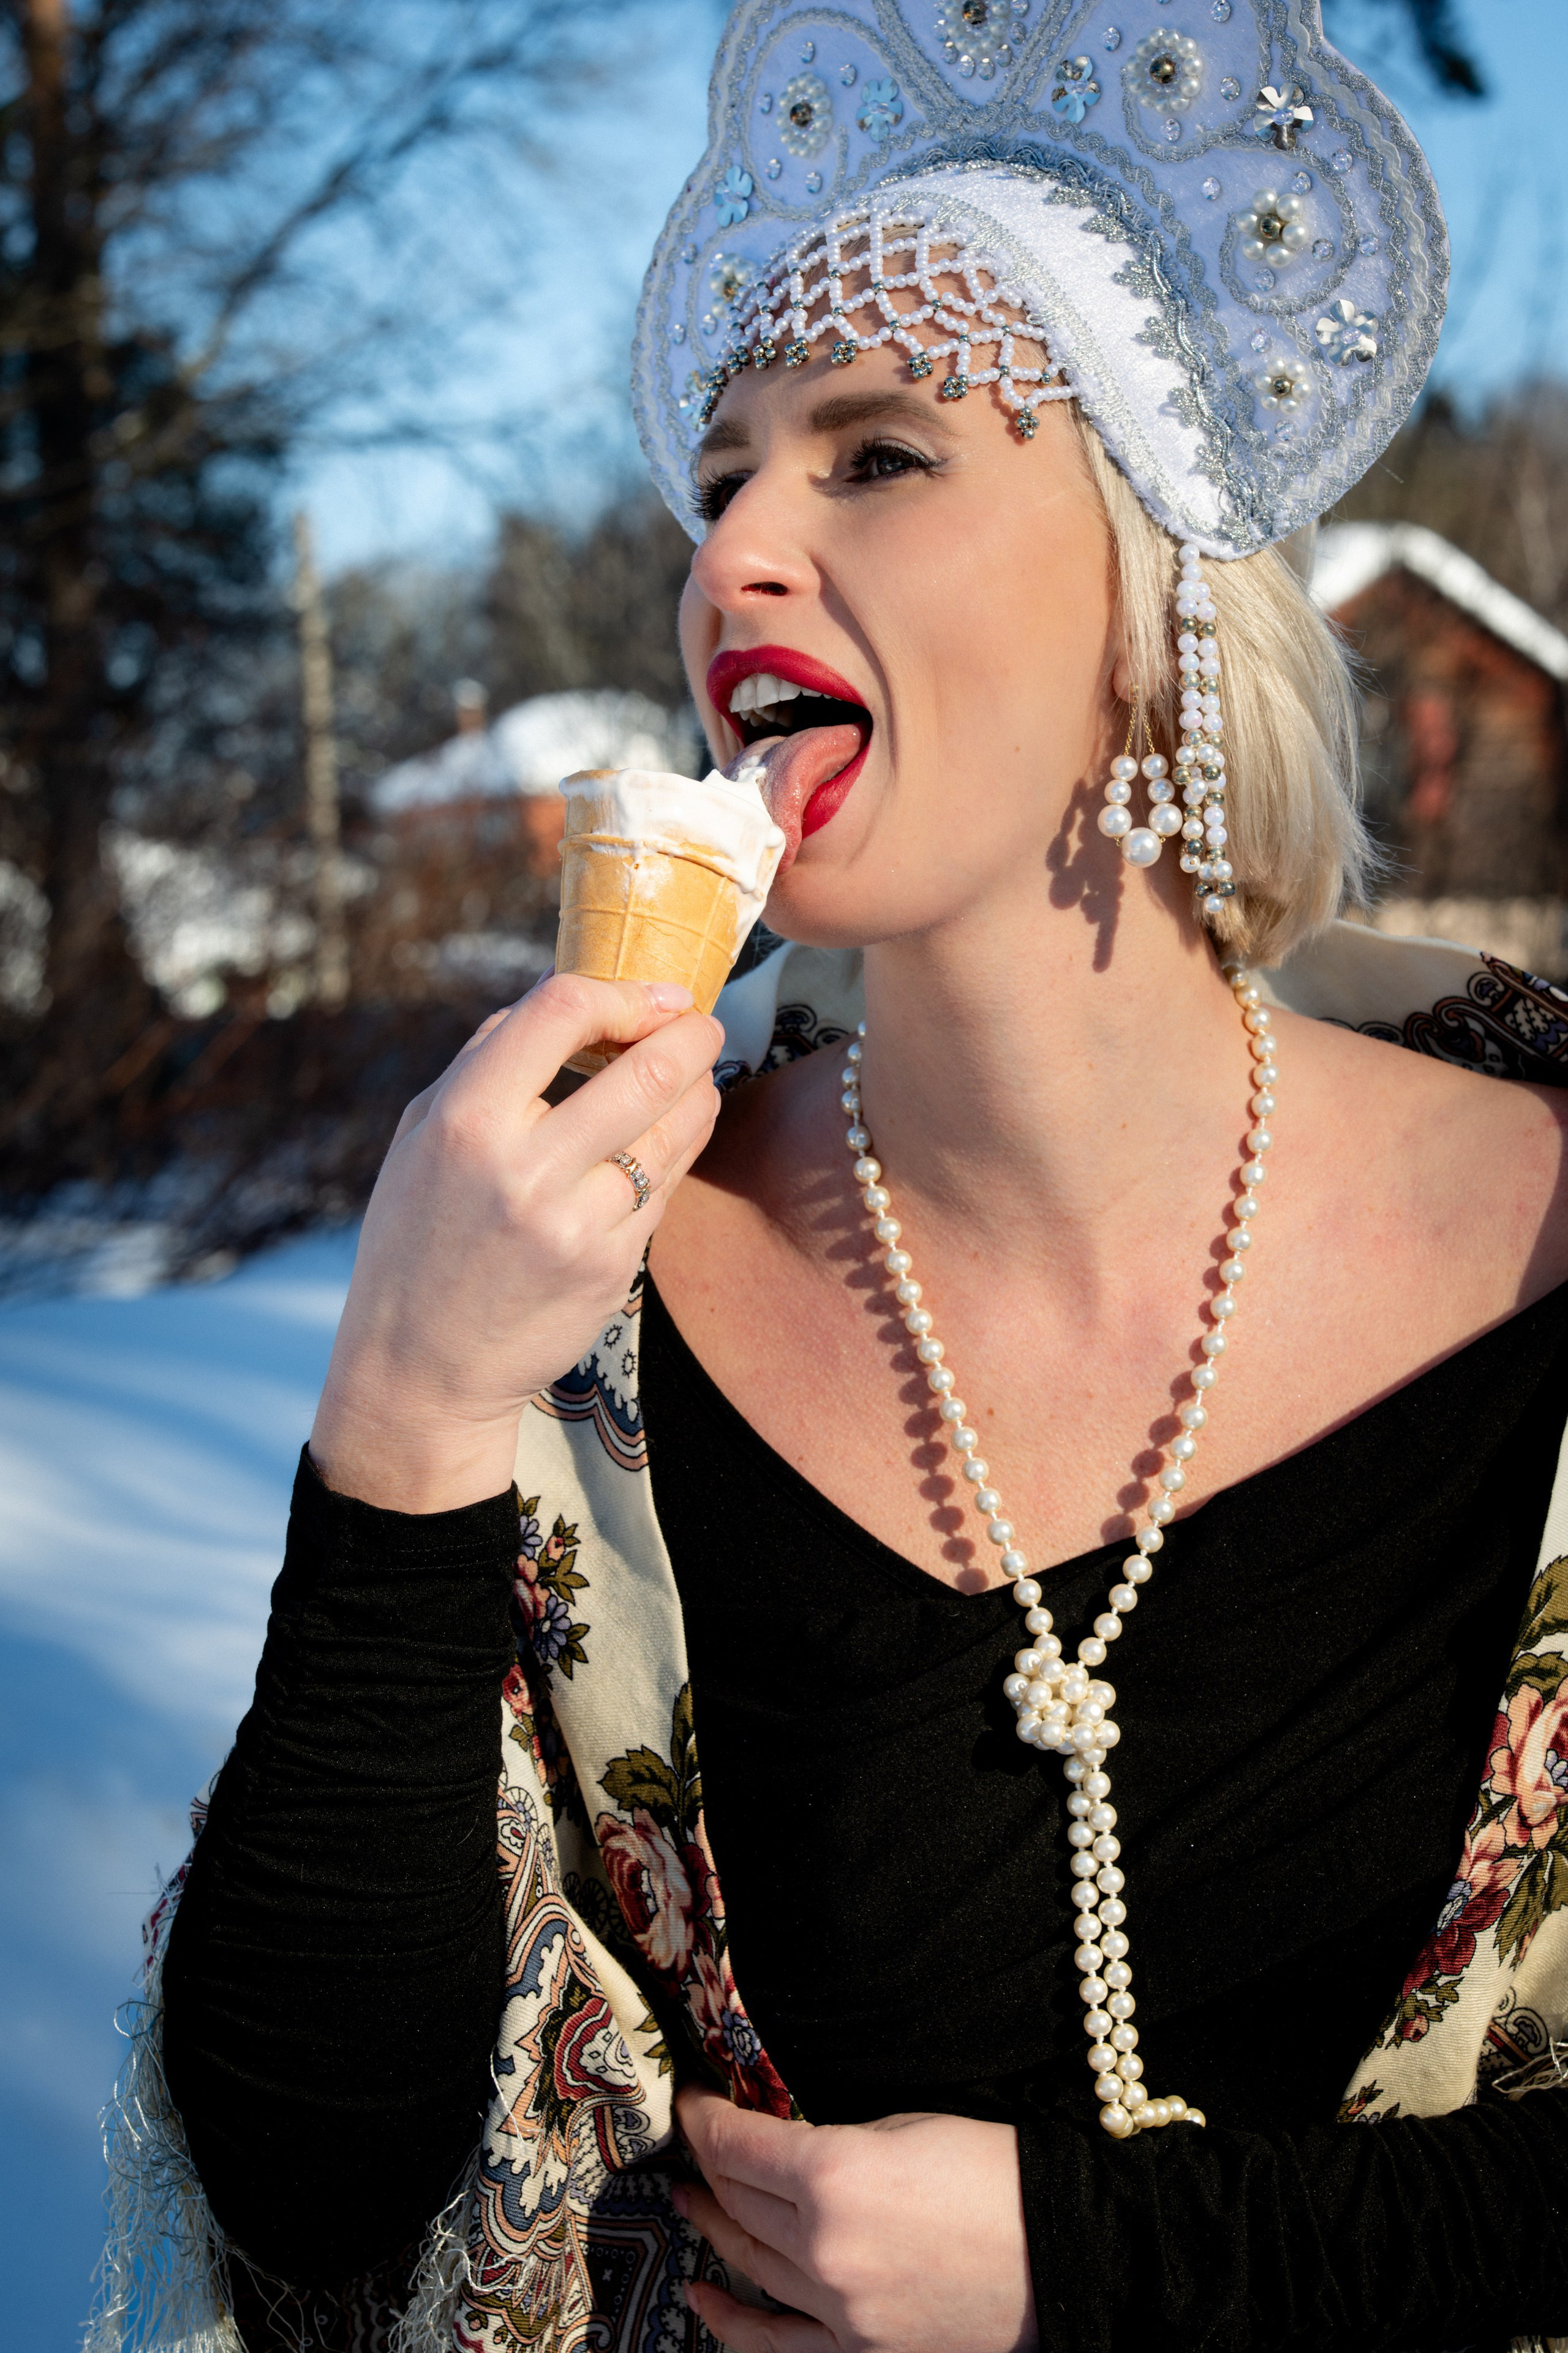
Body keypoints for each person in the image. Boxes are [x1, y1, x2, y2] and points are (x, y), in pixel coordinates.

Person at [94, 6, 1568, 2352]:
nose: (732, 548)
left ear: (1157, 582)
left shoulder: (1554, 1228)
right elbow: (315, 2169)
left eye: (875, 457)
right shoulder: (584, 1302)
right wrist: (396, 1410)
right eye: (719, 478)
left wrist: (1104, 2267)